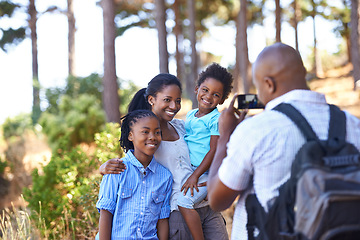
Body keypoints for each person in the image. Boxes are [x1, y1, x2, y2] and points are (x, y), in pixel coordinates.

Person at [207, 42, 360, 240]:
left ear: (269, 84)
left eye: (259, 86)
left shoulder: (255, 129)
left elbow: (217, 200)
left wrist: (225, 137)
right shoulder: (353, 124)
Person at [100, 73, 229, 239]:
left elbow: (211, 146)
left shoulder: (182, 126)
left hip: (206, 204)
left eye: (177, 101)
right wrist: (102, 168)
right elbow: (133, 168)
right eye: (167, 100)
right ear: (152, 100)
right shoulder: (146, 138)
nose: (174, 106)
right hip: (178, 212)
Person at [96, 109, 173, 239]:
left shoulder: (165, 177)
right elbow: (106, 214)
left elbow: (162, 220)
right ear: (131, 136)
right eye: (145, 132)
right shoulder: (116, 169)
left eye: (157, 132)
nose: (152, 137)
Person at [178, 63, 233, 240]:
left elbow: (213, 149)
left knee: (184, 202)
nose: (208, 96)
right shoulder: (190, 115)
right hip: (189, 168)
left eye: (216, 95)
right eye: (205, 90)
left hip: (204, 172)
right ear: (196, 89)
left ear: (222, 100)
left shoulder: (215, 119)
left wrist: (196, 175)